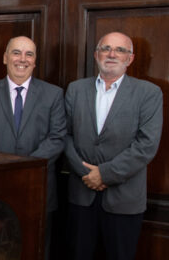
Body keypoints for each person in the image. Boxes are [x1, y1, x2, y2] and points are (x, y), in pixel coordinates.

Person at [64, 32, 163, 260]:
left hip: (124, 199)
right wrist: (86, 173)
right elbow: (64, 136)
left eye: (120, 50)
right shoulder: (75, 89)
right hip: (81, 195)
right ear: (96, 54)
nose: (111, 54)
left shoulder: (148, 93)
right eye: (106, 48)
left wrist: (104, 174)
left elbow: (146, 145)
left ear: (130, 58)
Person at [0, 35, 65, 258]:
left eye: (29, 54)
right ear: (5, 58)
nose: (22, 59)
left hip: (38, 189)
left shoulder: (53, 94)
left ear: (35, 61)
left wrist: (26, 169)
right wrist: (5, 167)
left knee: (36, 251)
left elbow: (57, 138)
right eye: (16, 53)